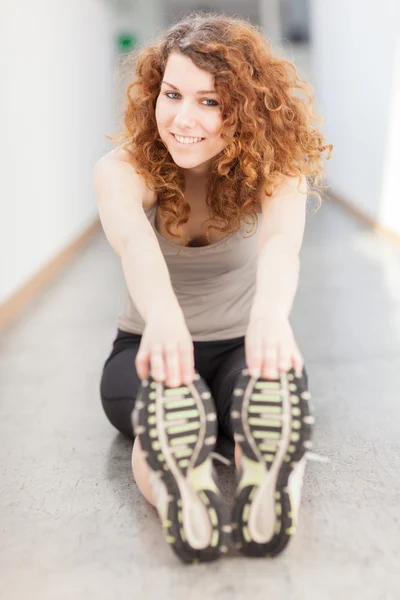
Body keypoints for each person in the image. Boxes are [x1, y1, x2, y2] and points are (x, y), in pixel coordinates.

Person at [94, 12, 332, 565]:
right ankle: (189, 488)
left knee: (262, 407)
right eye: (173, 94)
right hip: (148, 346)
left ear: (245, 109)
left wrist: (271, 317)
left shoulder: (277, 168)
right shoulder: (122, 168)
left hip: (244, 343)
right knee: (159, 426)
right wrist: (164, 319)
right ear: (154, 93)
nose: (183, 118)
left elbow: (280, 244)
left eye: (210, 101)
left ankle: (260, 478)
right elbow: (134, 242)